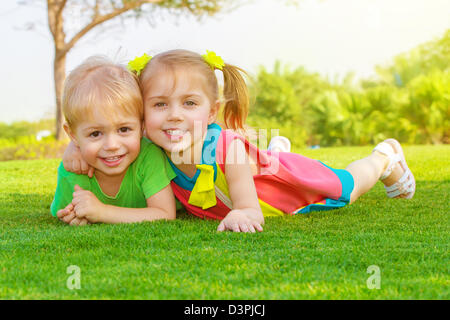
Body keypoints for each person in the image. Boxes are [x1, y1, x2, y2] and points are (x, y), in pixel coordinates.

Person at [63, 50, 416, 233]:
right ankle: (274, 151)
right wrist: (75, 148)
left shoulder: (226, 148)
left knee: (347, 187)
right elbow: (111, 129)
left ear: (212, 111)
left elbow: (249, 208)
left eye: (189, 104)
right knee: (265, 157)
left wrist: (242, 214)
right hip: (253, 169)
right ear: (143, 116)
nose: (173, 116)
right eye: (159, 105)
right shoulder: (151, 143)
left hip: (281, 188)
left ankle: (384, 156)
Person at [51, 56, 176, 226]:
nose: (112, 145)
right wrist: (74, 214)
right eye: (95, 134)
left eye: (124, 129)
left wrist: (102, 212)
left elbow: (165, 214)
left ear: (141, 127)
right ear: (73, 136)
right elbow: (63, 212)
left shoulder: (149, 156)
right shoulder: (72, 171)